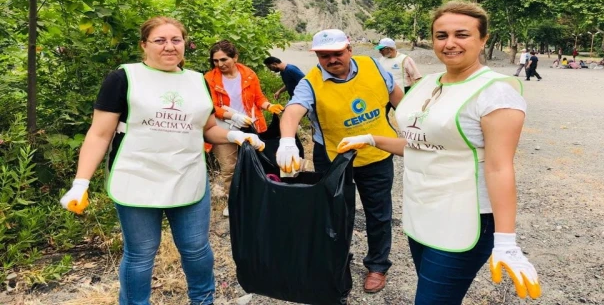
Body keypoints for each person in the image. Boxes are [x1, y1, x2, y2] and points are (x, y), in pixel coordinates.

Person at [334, 1, 541, 304]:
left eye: (462, 34)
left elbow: (499, 167)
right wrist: (371, 138)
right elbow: (422, 145)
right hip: (422, 211)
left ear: (483, 39)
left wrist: (506, 240)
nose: (450, 43)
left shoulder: (495, 92)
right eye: (441, 35)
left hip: (465, 218)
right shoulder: (426, 84)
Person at [59, 17, 265, 305]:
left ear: (185, 44)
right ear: (144, 45)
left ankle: (203, 301)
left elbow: (207, 129)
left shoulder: (197, 81)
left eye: (176, 40)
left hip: (188, 176)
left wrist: (236, 137)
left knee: (196, 248)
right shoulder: (123, 78)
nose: (169, 47)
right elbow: (99, 134)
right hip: (137, 178)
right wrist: (80, 183)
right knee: (141, 253)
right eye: (160, 40)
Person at [276, 29, 404, 293]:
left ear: (349, 49)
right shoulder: (310, 82)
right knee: (335, 215)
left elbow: (396, 96)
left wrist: (415, 126)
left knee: (379, 214)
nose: (332, 60)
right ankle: (338, 263)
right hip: (335, 158)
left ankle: (378, 265)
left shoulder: (373, 66)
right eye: (324, 56)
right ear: (317, 57)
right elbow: (293, 111)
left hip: (376, 154)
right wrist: (287, 141)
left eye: (337, 53)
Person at [204, 40, 284, 217]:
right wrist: (232, 116)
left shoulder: (248, 74)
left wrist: (269, 106)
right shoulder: (209, 79)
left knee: (255, 162)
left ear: (235, 57)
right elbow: (210, 106)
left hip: (249, 125)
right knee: (229, 166)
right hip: (223, 127)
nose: (220, 64)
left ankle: (255, 198)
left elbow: (258, 98)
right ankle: (233, 201)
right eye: (216, 61)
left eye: (224, 59)